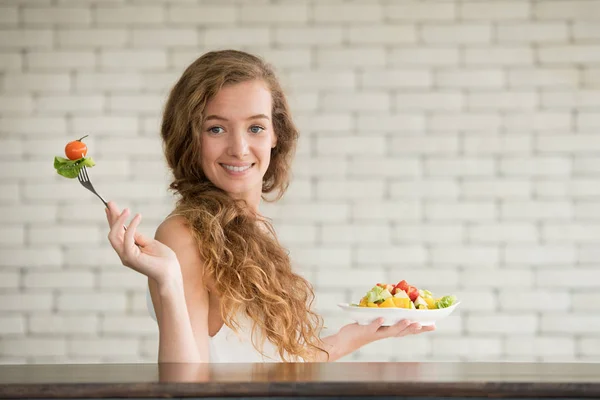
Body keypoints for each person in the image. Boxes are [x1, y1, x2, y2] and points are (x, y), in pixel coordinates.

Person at [104, 50, 434, 363]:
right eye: (216, 128)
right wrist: (168, 280)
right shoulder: (184, 235)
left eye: (256, 128)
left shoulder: (251, 227)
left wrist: (353, 337)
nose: (239, 148)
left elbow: (268, 364)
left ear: (276, 135)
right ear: (191, 138)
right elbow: (186, 385)